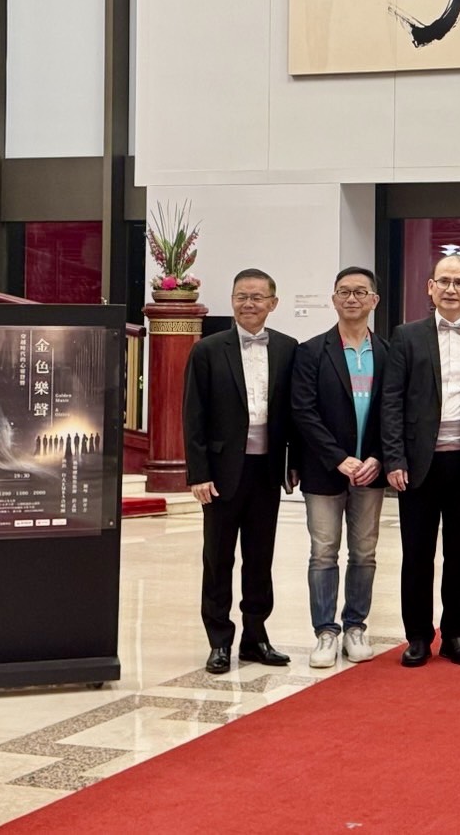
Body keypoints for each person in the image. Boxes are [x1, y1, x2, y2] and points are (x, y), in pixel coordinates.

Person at [381, 254, 460, 668]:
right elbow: (392, 401)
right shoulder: (406, 336)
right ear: (430, 287)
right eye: (444, 281)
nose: (451, 289)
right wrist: (394, 458)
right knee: (417, 555)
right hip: (418, 465)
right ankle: (418, 636)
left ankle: (455, 634)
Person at [183, 268, 298, 674]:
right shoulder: (208, 349)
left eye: (257, 297)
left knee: (259, 558)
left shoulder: (288, 348)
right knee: (218, 559)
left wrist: (294, 463)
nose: (249, 304)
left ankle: (255, 637)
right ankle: (219, 640)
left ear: (273, 303)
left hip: (266, 469)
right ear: (232, 301)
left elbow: (294, 413)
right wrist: (198, 473)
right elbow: (193, 415)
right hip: (221, 473)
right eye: (241, 297)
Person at [290, 267, 389, 668]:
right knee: (323, 552)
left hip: (371, 471)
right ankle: (325, 632)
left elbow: (394, 412)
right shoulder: (312, 351)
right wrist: (338, 458)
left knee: (364, 552)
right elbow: (303, 412)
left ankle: (355, 626)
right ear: (333, 299)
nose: (352, 298)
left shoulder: (388, 353)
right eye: (344, 291)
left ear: (374, 300)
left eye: (360, 292)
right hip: (324, 471)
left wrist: (378, 456)